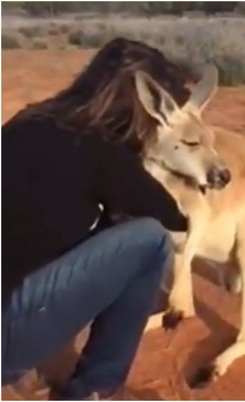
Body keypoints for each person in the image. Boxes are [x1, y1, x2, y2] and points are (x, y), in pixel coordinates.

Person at [2, 38, 202, 400]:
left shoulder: (28, 119)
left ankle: (36, 368)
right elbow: (172, 217)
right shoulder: (100, 149)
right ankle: (97, 388)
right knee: (149, 241)